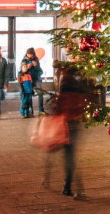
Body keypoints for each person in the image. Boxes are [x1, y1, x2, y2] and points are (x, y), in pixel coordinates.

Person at [48, 63, 93, 199]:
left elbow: (58, 110)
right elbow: (81, 108)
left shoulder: (64, 94)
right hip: (74, 125)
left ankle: (72, 188)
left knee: (66, 156)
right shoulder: (78, 92)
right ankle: (68, 187)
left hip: (64, 125)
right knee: (70, 156)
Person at [18, 48, 40, 118]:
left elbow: (39, 70)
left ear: (33, 54)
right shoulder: (24, 60)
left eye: (30, 54)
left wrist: (35, 65)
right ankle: (23, 112)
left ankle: (29, 112)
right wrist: (28, 66)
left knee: (29, 98)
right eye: (28, 54)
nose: (29, 55)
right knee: (24, 98)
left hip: (32, 80)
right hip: (25, 82)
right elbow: (22, 69)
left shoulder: (36, 60)